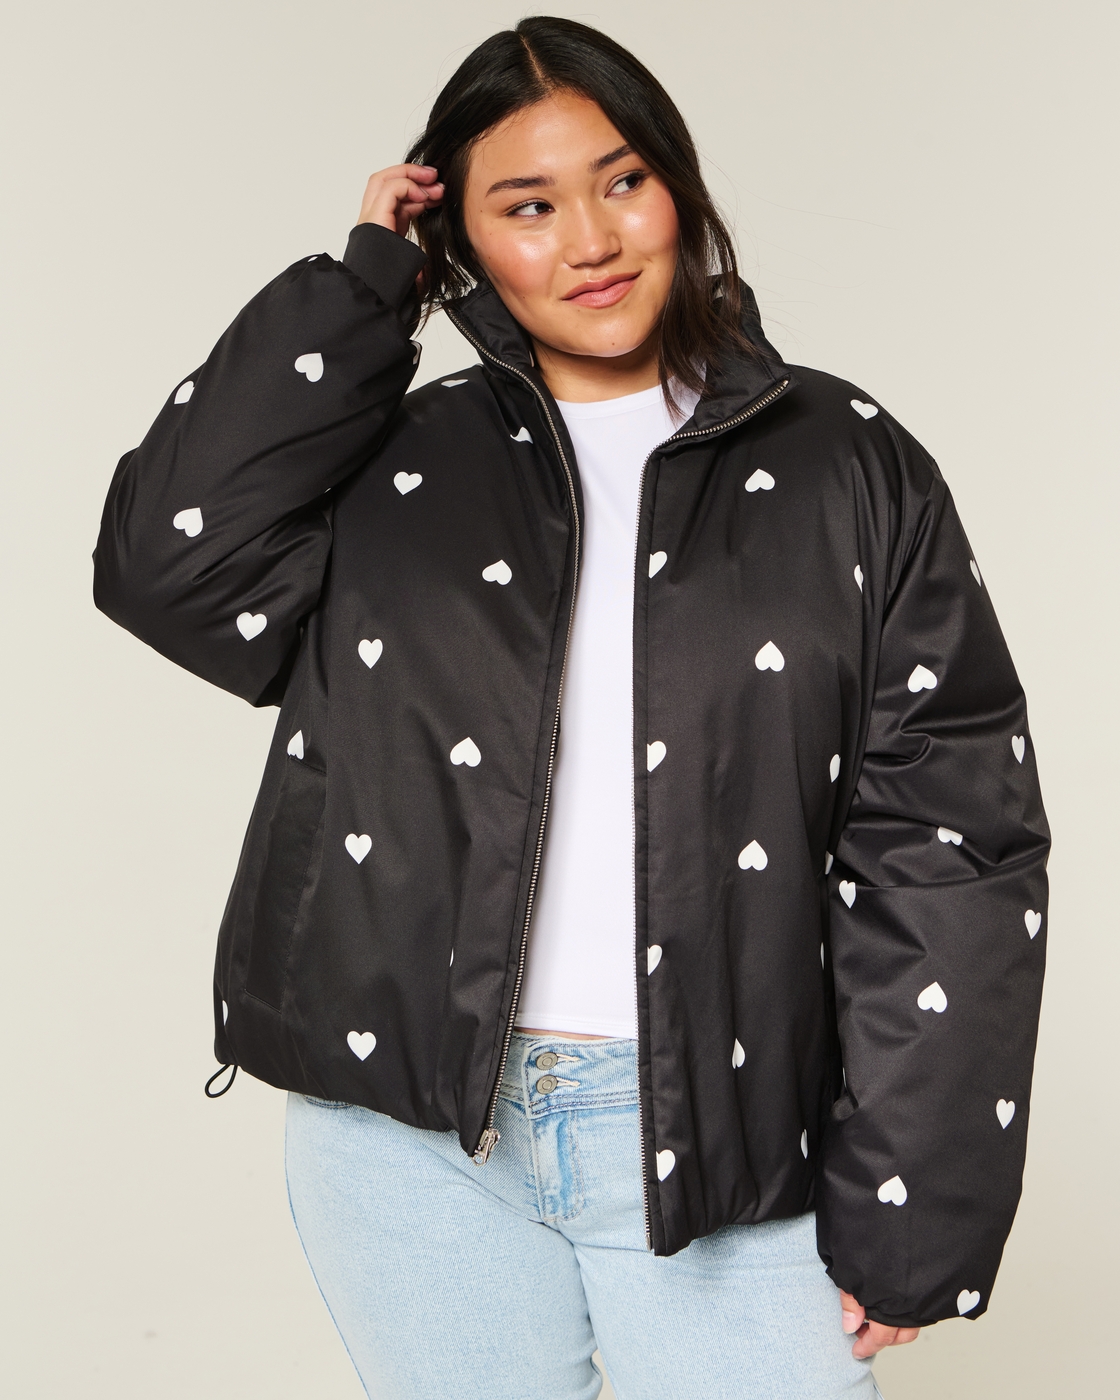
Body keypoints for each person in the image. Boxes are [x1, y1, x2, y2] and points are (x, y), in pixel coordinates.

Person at [92, 16, 1049, 1399]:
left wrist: (917, 1195)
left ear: (678, 187)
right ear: (463, 242)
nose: (590, 241)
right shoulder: (398, 465)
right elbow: (165, 563)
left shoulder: (848, 465)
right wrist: (362, 291)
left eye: (622, 182)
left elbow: (949, 839)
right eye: (527, 206)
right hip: (405, 1136)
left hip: (722, 1125)